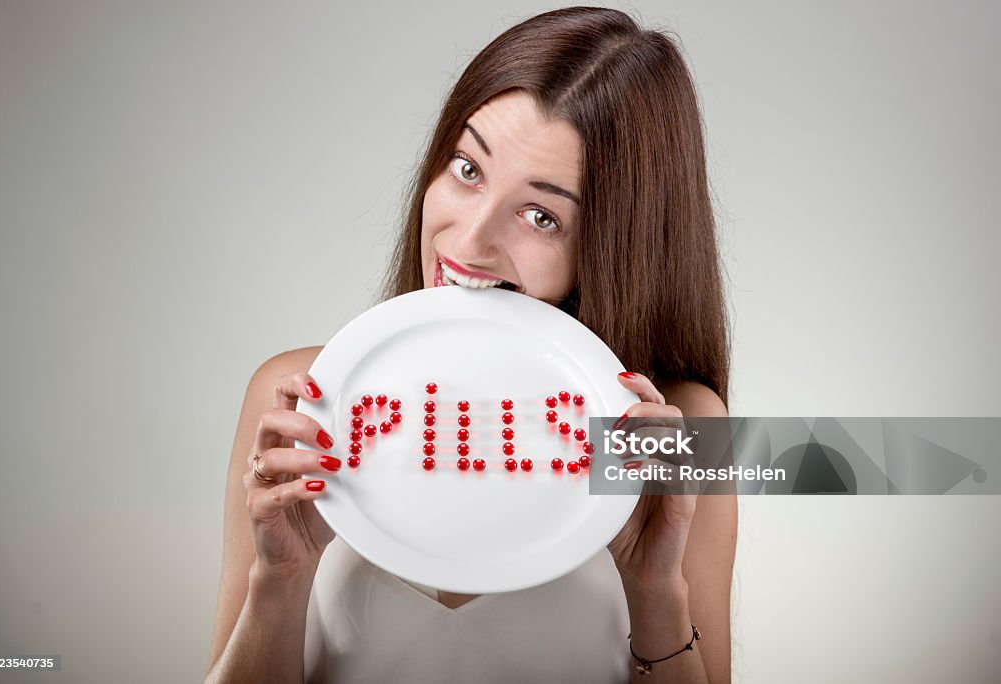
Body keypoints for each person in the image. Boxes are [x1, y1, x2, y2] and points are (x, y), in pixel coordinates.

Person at [206, 7, 736, 683]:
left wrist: (656, 592)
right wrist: (279, 578)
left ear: (615, 247)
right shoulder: (299, 401)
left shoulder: (681, 430)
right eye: (467, 169)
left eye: (542, 215)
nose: (466, 242)